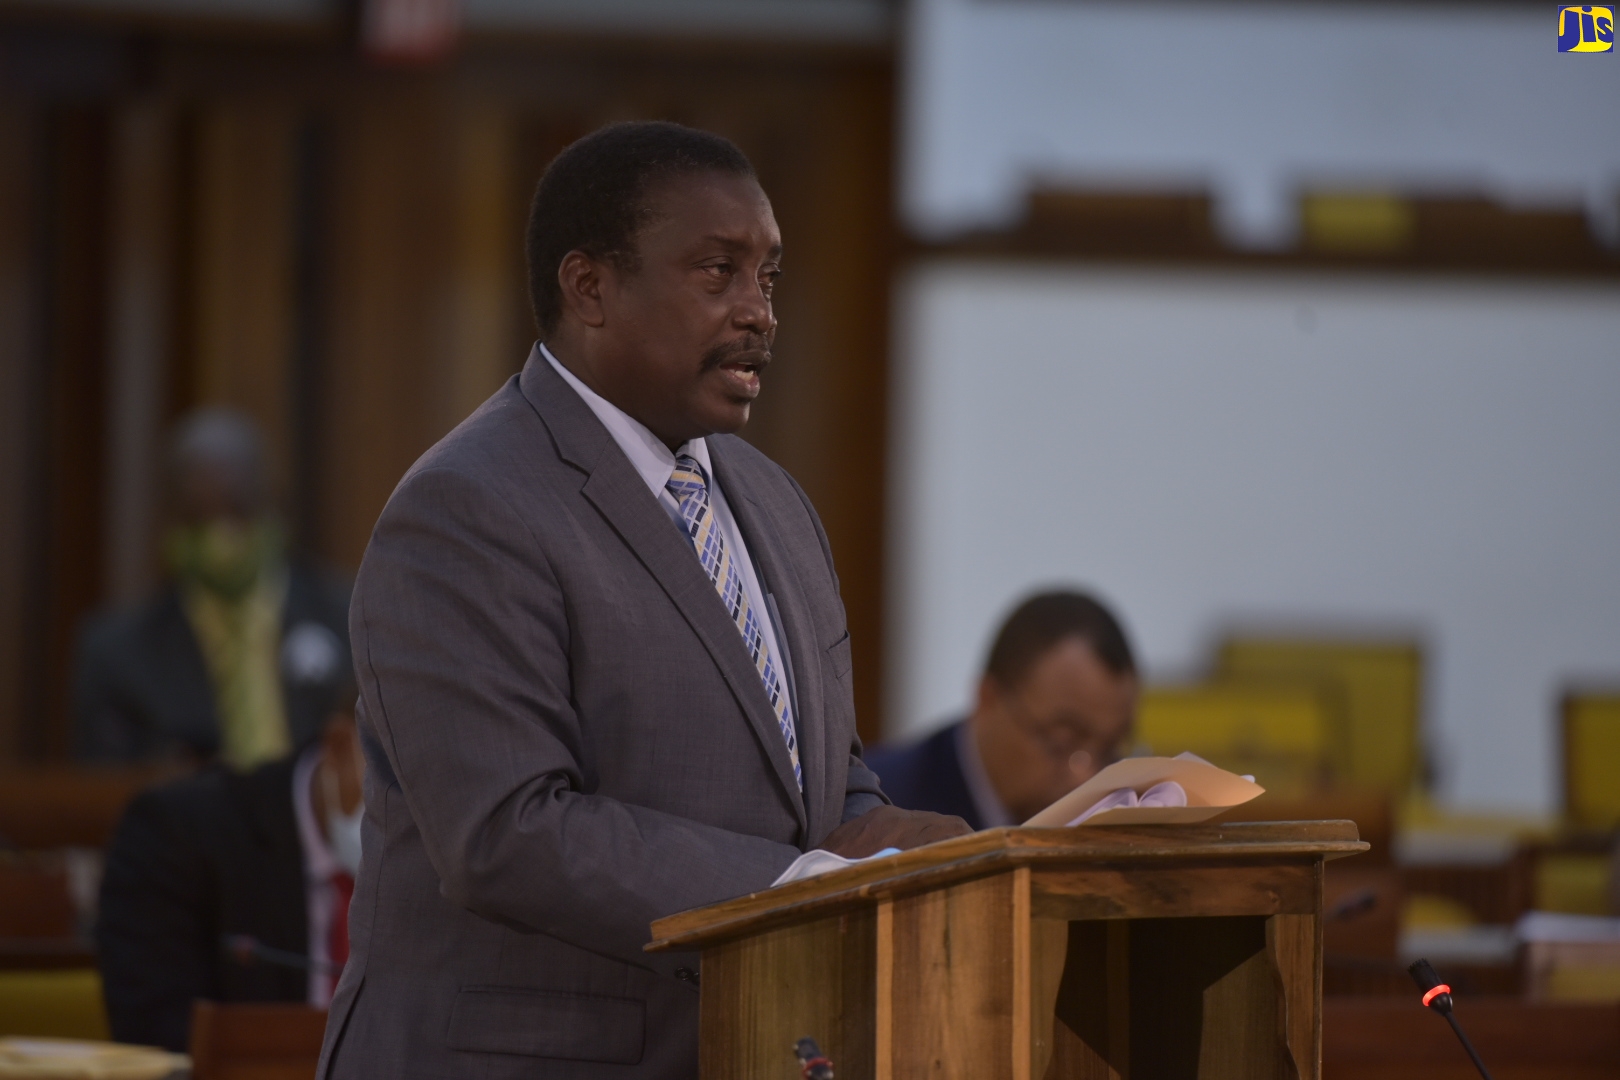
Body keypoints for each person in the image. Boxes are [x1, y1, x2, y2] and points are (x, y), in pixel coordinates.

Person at [318, 122, 968, 1080]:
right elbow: (506, 833)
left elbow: (820, 786)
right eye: (718, 272)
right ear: (590, 288)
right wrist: (797, 887)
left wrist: (923, 855)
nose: (760, 313)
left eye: (769, 277)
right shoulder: (467, 507)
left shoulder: (777, 505)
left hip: (743, 1048)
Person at [75, 409, 351, 769]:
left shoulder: (350, 619)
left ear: (273, 504)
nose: (220, 536)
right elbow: (101, 789)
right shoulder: (117, 655)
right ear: (168, 521)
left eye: (237, 510)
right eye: (196, 518)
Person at [96, 684, 365, 1051]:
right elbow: (158, 1036)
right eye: (405, 782)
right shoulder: (178, 835)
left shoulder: (439, 873)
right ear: (339, 745)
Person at [866, 590, 1139, 828]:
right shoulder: (877, 810)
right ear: (988, 699)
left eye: (1109, 751)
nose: (1085, 776)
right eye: (1061, 742)